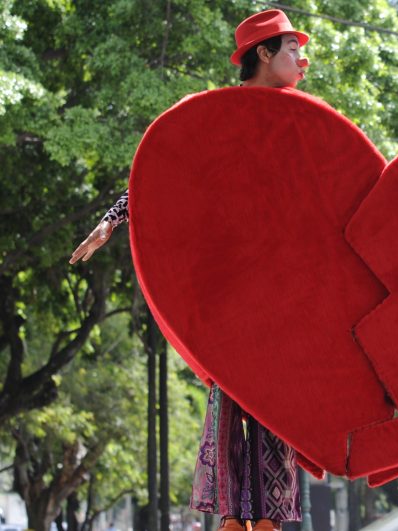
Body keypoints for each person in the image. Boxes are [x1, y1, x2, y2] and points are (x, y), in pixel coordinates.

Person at [70, 10, 310, 531]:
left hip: (283, 298)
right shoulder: (216, 116)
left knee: (275, 413)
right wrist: (112, 221)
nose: (302, 58)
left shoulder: (307, 120)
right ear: (264, 54)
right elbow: (167, 170)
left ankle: (264, 522)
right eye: (292, 48)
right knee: (228, 407)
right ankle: (229, 520)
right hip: (228, 294)